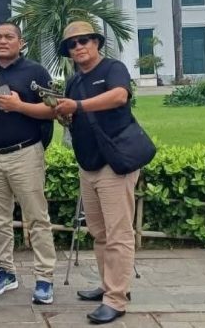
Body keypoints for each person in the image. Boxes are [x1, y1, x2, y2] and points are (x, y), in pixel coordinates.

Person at [53, 21, 138, 325]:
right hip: (88, 165)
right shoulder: (75, 81)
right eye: (72, 44)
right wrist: (64, 112)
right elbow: (73, 116)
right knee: (99, 232)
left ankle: (116, 299)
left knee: (118, 234)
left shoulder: (113, 69)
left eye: (84, 40)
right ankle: (108, 286)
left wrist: (77, 105)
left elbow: (118, 97)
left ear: (97, 43)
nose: (79, 47)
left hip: (114, 164)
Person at [0, 22, 57, 304]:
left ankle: (44, 278)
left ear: (21, 42)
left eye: (8, 37)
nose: (2, 41)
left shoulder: (35, 72)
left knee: (37, 219)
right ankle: (5, 271)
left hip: (25, 154)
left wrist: (20, 107)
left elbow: (54, 109)